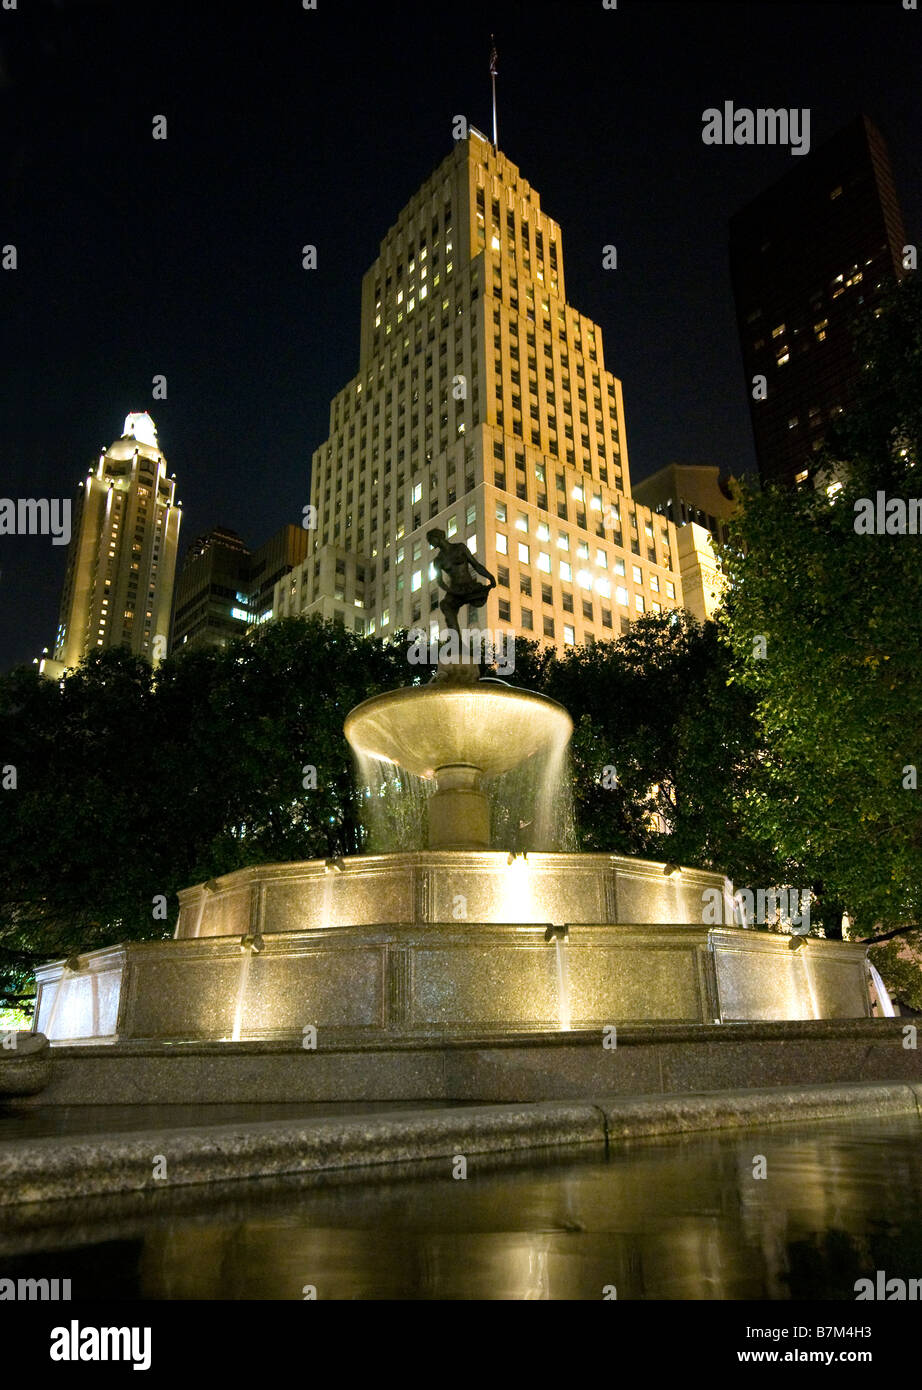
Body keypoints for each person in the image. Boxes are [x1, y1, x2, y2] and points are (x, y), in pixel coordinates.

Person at [426, 528, 496, 639]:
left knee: (476, 598)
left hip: (469, 586)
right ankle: (456, 641)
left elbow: (475, 565)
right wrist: (451, 591)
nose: (429, 543)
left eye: (430, 540)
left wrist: (490, 576)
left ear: (437, 537)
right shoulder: (438, 560)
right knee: (445, 605)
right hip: (455, 590)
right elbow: (440, 581)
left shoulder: (459, 548)